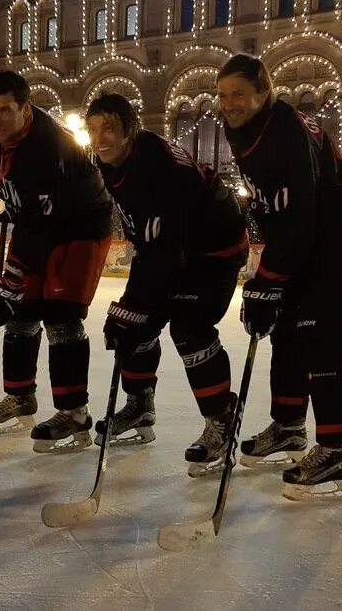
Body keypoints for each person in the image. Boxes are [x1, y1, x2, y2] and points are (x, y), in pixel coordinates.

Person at [216, 54, 342, 500]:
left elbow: (300, 219)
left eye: (239, 95)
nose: (229, 103)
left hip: (340, 236)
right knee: (286, 328)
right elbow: (279, 208)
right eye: (223, 94)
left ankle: (337, 450)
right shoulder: (248, 125)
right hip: (308, 235)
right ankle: (289, 427)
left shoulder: (284, 134)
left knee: (324, 337)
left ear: (263, 93)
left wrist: (266, 280)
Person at [84, 93, 249, 477]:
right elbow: (153, 244)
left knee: (189, 328)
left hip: (214, 251)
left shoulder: (159, 168)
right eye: (93, 129)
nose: (99, 138)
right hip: (169, 247)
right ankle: (140, 405)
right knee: (136, 320)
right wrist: (134, 308)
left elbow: (167, 252)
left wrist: (136, 304)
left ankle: (221, 421)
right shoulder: (110, 162)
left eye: (109, 128)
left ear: (130, 131)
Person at [0, 71, 113, 453]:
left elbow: (45, 225)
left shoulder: (50, 148)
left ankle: (74, 412)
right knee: (21, 311)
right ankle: (20, 396)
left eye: (5, 111)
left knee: (61, 316)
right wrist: (2, 198)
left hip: (81, 224)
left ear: (26, 108)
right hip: (39, 218)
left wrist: (10, 278)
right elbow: (16, 194)